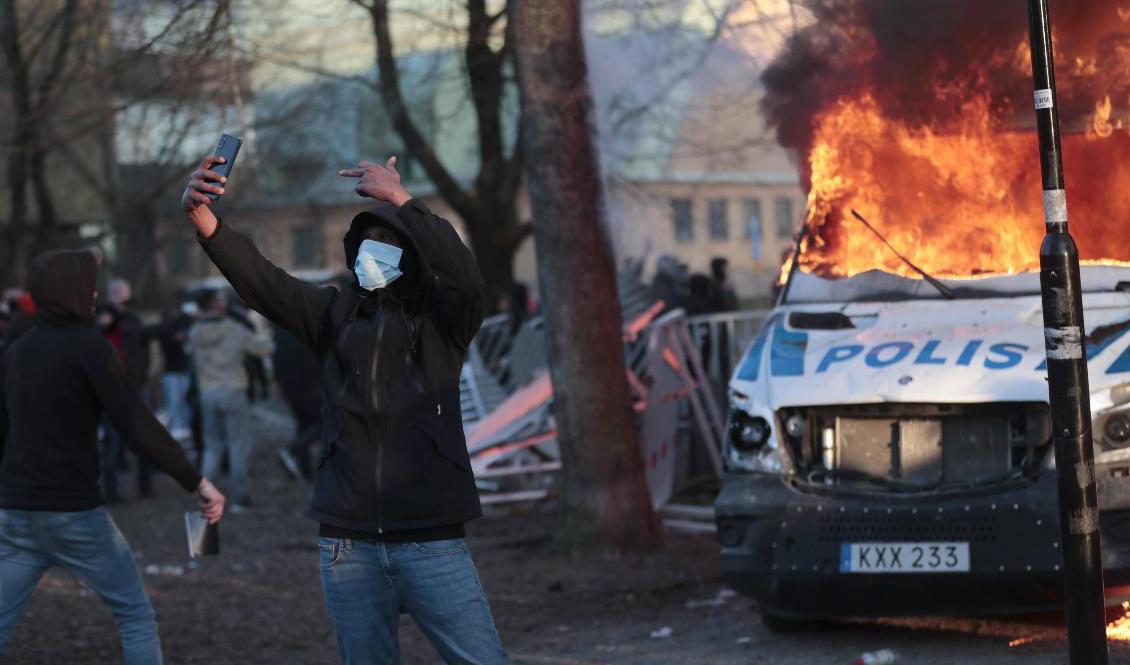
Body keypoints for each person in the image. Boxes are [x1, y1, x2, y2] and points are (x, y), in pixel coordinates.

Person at [181, 153, 507, 664]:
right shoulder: (332, 315)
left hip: (432, 540)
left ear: (412, 258)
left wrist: (402, 198)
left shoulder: (444, 324)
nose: (372, 253)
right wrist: (203, 217)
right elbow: (263, 281)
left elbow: (466, 279)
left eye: (387, 244)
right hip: (347, 545)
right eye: (365, 244)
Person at [0, 248, 225, 664]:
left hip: (16, 513)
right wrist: (196, 481)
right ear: (70, 290)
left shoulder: (17, 350)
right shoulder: (90, 347)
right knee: (135, 615)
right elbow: (136, 423)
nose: (95, 294)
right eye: (89, 285)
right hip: (74, 514)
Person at [189, 288, 274, 512]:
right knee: (238, 444)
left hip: (207, 392)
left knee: (211, 446)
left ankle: (205, 496)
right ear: (216, 304)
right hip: (234, 390)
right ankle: (240, 497)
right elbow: (264, 348)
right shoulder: (234, 329)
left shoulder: (195, 332)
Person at [98, 278, 156, 500]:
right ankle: (111, 490)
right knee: (112, 442)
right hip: (111, 389)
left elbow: (143, 350)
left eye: (123, 291)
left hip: (136, 386)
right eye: (116, 292)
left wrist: (144, 373)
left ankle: (145, 486)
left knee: (144, 438)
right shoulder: (101, 319)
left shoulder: (134, 320)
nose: (120, 295)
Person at [156, 302, 198, 440]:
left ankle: (184, 426)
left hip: (180, 370)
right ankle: (176, 427)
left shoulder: (182, 331)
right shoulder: (166, 333)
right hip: (171, 371)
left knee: (183, 401)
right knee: (174, 402)